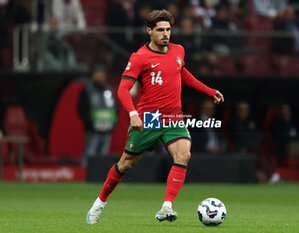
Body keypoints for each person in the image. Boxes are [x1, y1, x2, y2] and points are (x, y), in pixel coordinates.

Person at [86, 9, 224, 224]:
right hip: (148, 118)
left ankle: (166, 206)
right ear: (149, 31)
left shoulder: (179, 50)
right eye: (160, 30)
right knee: (126, 164)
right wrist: (133, 114)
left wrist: (208, 90)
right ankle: (100, 202)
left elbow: (182, 72)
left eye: (168, 29)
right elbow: (123, 89)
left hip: (173, 117)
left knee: (183, 154)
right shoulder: (140, 57)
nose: (166, 34)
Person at [78, 64, 117, 166]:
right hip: (92, 131)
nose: (99, 76)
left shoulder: (108, 89)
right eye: (97, 74)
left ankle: (98, 177)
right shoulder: (88, 90)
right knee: (89, 154)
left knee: (102, 157)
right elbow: (81, 109)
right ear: (93, 75)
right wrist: (89, 124)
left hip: (106, 130)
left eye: (101, 74)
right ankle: (84, 176)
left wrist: (113, 124)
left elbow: (114, 107)